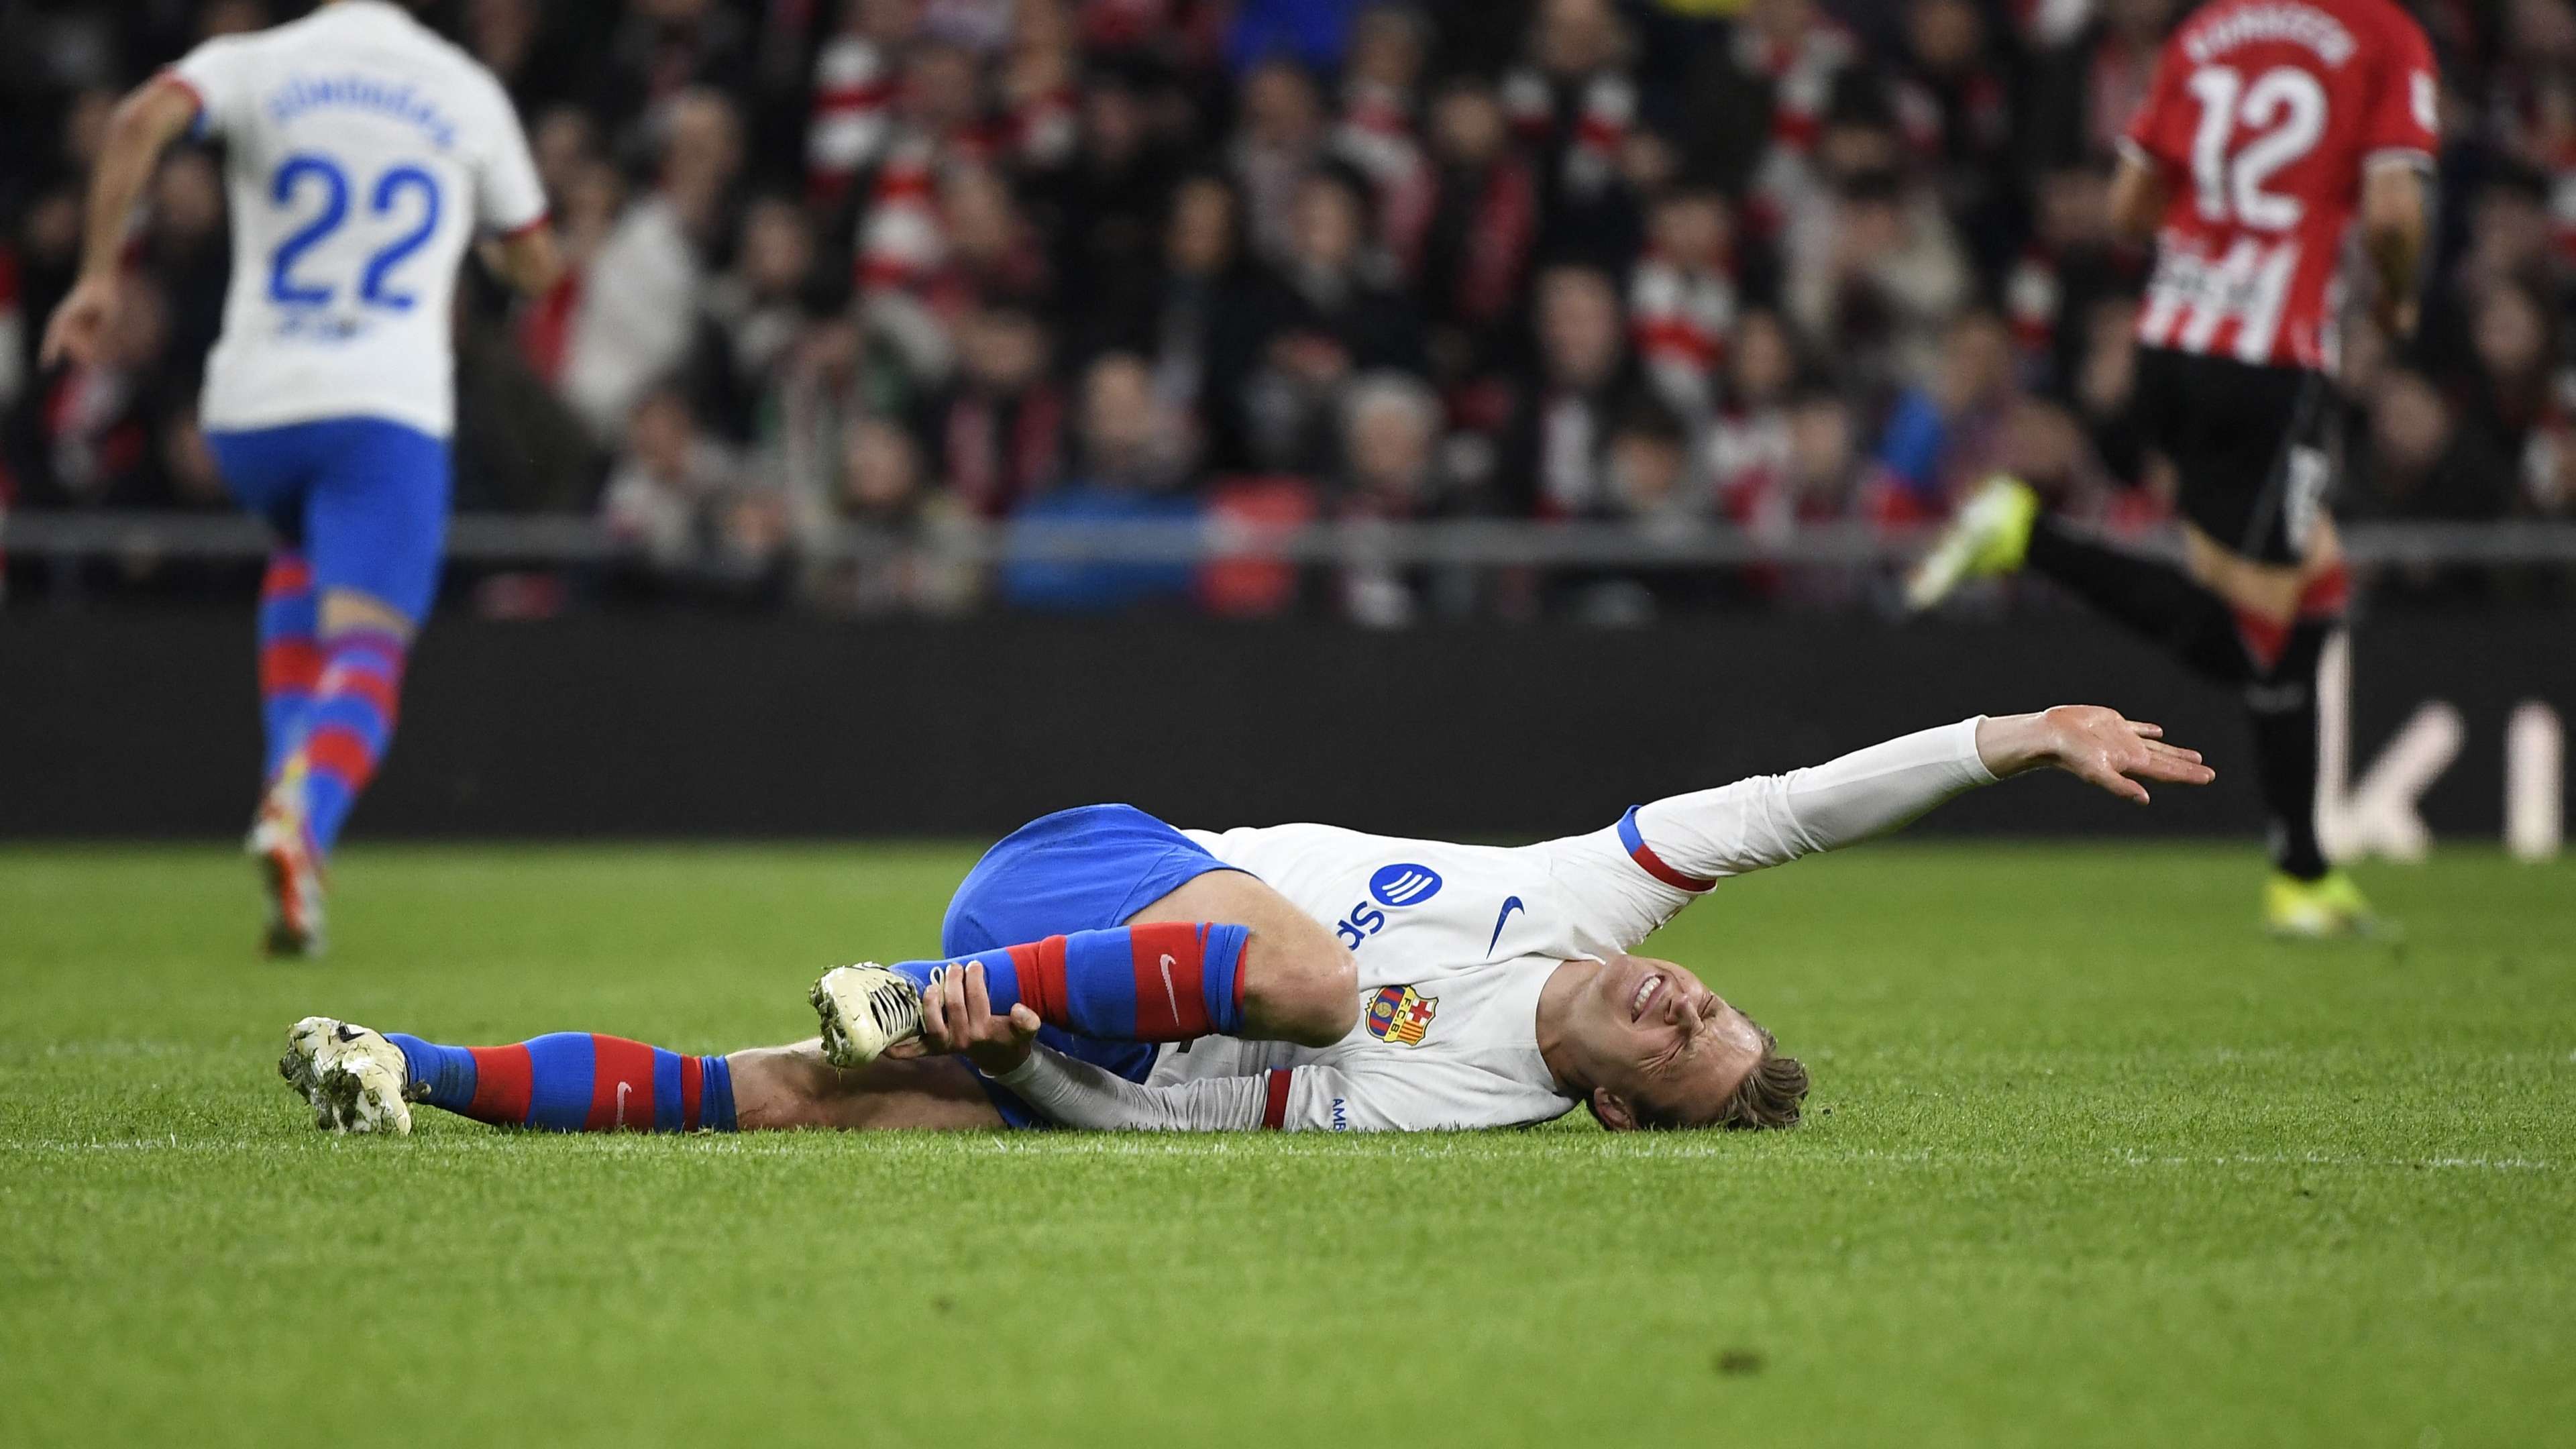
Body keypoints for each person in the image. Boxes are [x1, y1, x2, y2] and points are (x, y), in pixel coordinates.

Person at [278, 704, 2213, 1136]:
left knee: (774, 1105)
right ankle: (934, 990)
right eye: (1708, 1001)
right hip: (1087, 870)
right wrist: (2008, 738)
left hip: (1084, 1022)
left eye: (1679, 1041)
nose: (1679, 995)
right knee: (1305, 972)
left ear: (1627, 1108)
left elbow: (1197, 1110)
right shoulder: (1592, 894)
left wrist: (1019, 1065)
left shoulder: (1471, 1118)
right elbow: (1794, 812)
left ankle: (400, 1067)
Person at [39, 0, 563, 955]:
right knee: (371, 646)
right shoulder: (464, 92)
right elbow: (534, 261)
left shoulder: (262, 61)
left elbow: (135, 122)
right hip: (383, 412)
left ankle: (298, 868)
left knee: (302, 555)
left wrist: (99, 277)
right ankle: (304, 817)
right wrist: (492, 238)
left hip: (249, 413)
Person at [1904, 0, 2436, 939]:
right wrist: (2393, 300)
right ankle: (2031, 533)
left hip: (2172, 345)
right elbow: (2395, 212)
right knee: (2257, 637)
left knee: (2311, 603)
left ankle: (2305, 870)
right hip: (2270, 372)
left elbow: (2126, 208)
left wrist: (2216, 239)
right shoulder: (2382, 32)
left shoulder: (2206, 31)